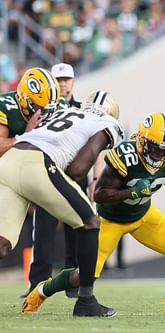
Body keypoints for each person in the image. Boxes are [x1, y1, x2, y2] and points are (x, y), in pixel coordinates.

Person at [22, 112, 165, 316]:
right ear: (142, 140)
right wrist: (132, 192)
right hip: (110, 220)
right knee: (85, 275)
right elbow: (99, 195)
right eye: (154, 148)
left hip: (143, 215)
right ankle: (42, 290)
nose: (158, 156)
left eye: (164, 151)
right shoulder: (125, 156)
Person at [2, 89, 124, 317]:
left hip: (10, 159)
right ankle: (86, 301)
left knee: (2, 243)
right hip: (37, 163)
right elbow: (78, 167)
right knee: (89, 221)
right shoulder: (108, 123)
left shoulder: (66, 111)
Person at [24, 63, 84, 299]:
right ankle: (37, 285)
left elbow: (94, 147)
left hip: (76, 172)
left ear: (73, 82)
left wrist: (96, 177)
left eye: (66, 79)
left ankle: (73, 282)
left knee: (78, 228)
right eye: (58, 80)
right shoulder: (43, 108)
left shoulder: (84, 108)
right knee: (43, 230)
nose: (62, 83)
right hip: (49, 171)